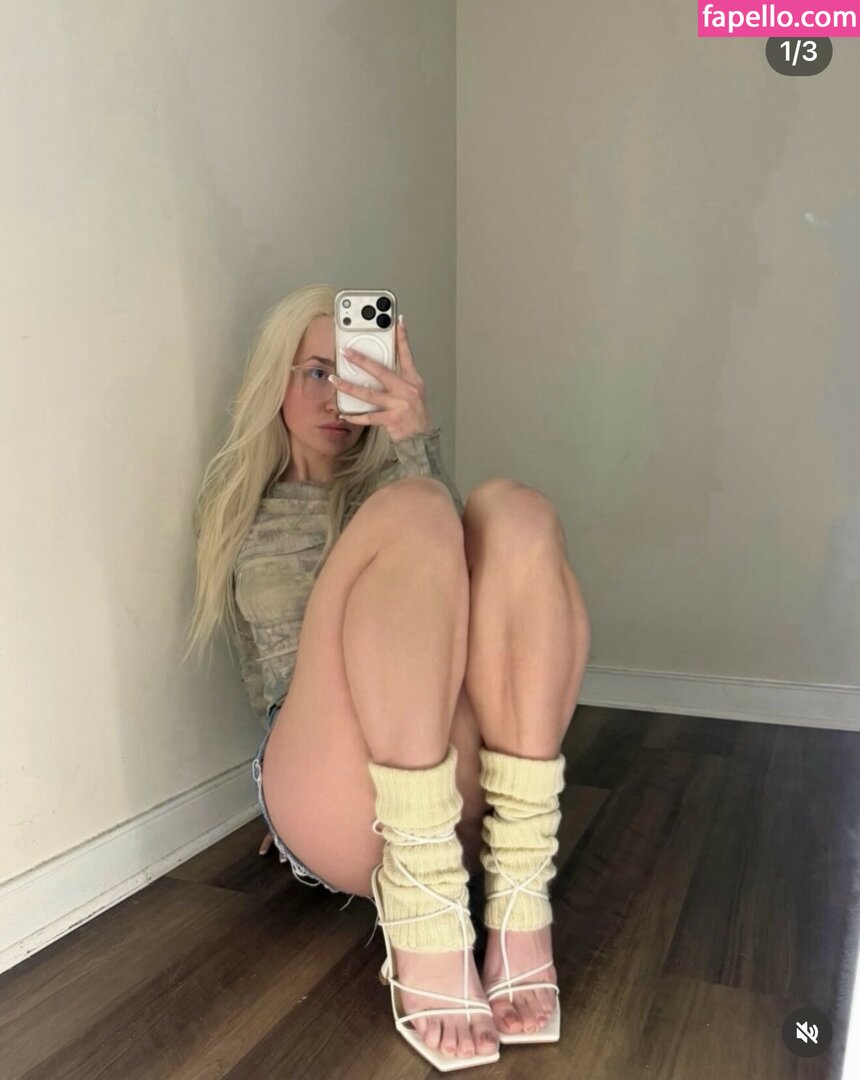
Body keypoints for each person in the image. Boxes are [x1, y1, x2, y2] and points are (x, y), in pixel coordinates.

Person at [185, 284, 591, 1070]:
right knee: (415, 510)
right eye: (318, 372)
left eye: (357, 370)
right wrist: (284, 794)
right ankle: (424, 909)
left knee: (512, 511)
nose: (338, 395)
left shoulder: (398, 491)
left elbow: (482, 618)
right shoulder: (241, 510)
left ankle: (519, 883)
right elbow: (270, 682)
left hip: (454, 793)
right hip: (333, 792)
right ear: (273, 380)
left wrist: (415, 439)